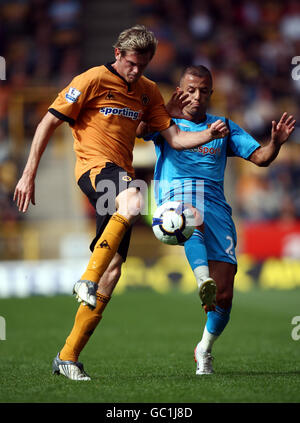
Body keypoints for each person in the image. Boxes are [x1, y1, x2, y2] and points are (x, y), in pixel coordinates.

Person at [13, 26, 229, 381]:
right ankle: (86, 277)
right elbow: (48, 122)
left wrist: (209, 134)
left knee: (112, 271)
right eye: (131, 64)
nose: (136, 72)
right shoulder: (93, 79)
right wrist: (28, 173)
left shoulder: (146, 91)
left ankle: (67, 356)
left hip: (121, 173)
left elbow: (172, 137)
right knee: (132, 200)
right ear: (118, 53)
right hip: (95, 168)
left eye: (143, 65)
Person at [138, 65, 295, 375]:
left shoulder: (223, 126)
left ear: (211, 92)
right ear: (181, 89)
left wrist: (275, 143)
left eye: (203, 91)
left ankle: (204, 348)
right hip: (175, 200)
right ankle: (201, 279)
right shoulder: (166, 121)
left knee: (224, 297)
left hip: (217, 208)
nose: (197, 96)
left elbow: (260, 158)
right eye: (191, 90)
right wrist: (163, 110)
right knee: (188, 214)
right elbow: (141, 131)